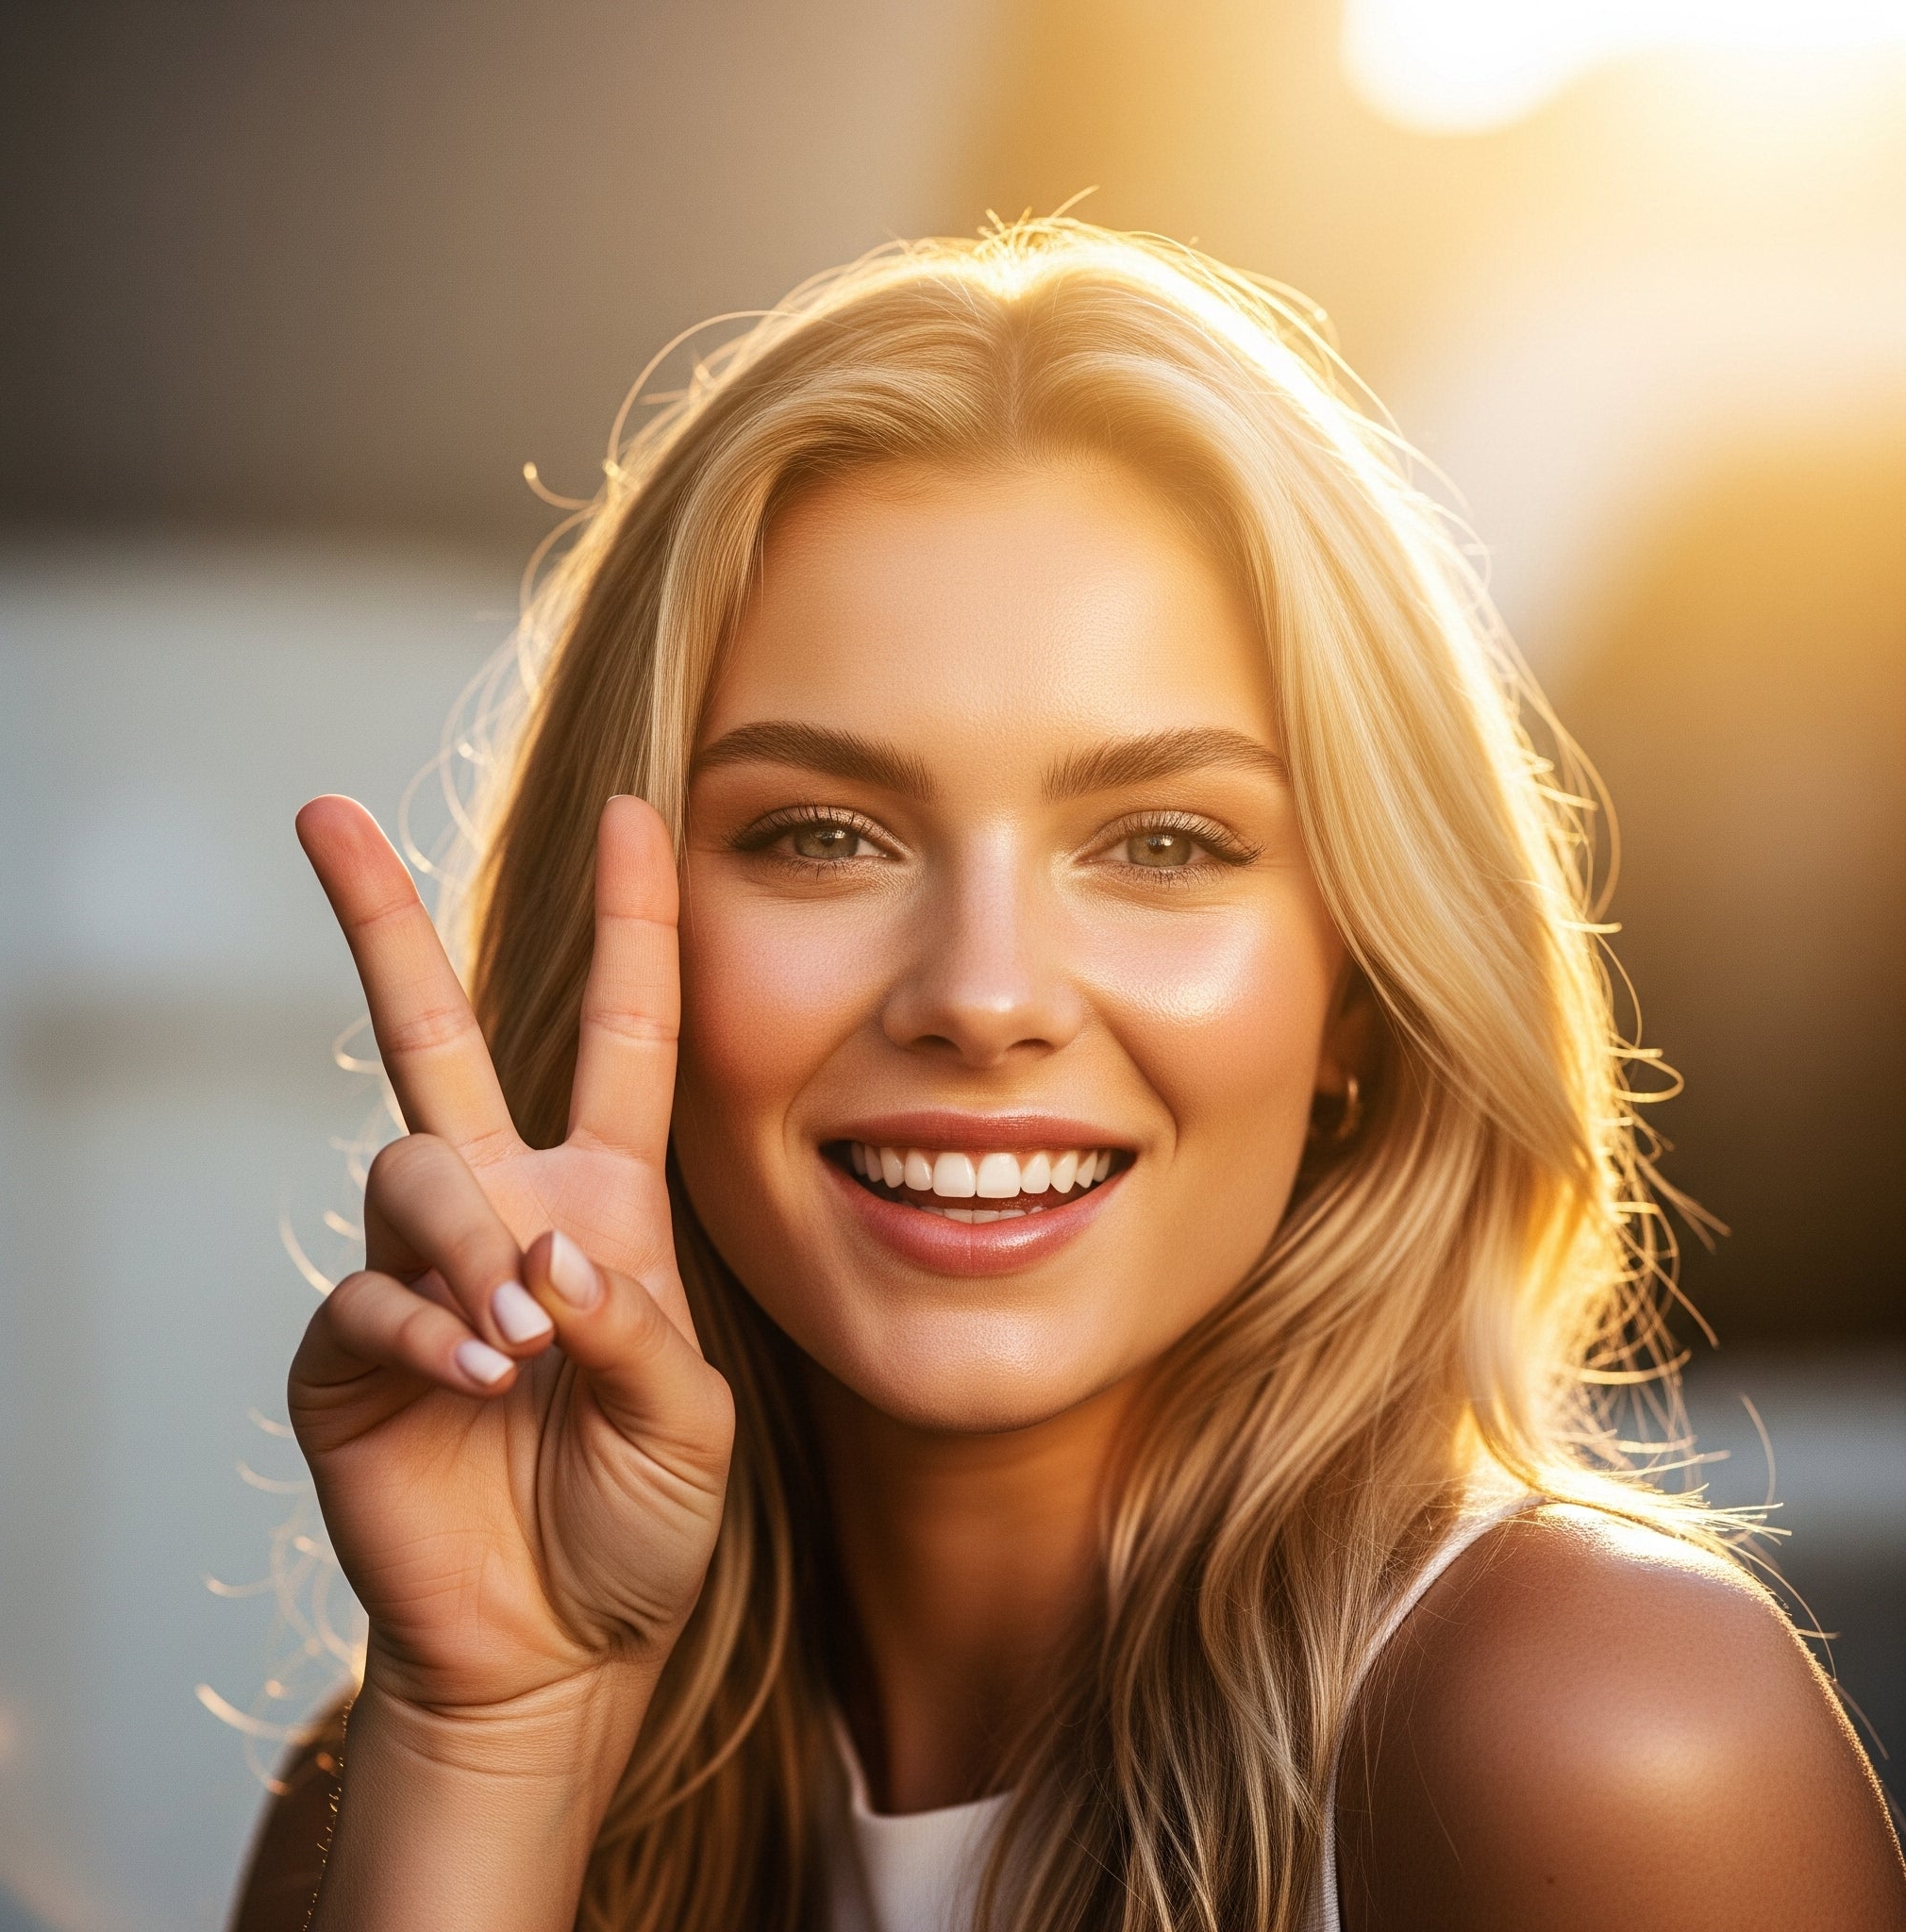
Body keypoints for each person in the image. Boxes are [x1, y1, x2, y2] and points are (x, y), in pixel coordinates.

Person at [231, 222, 1906, 1932]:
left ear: (1358, 986)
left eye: (1165, 843)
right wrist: (501, 1742)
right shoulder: (389, 1795)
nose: (985, 995)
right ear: (621, 951)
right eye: (822, 836)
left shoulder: (1598, 1732)